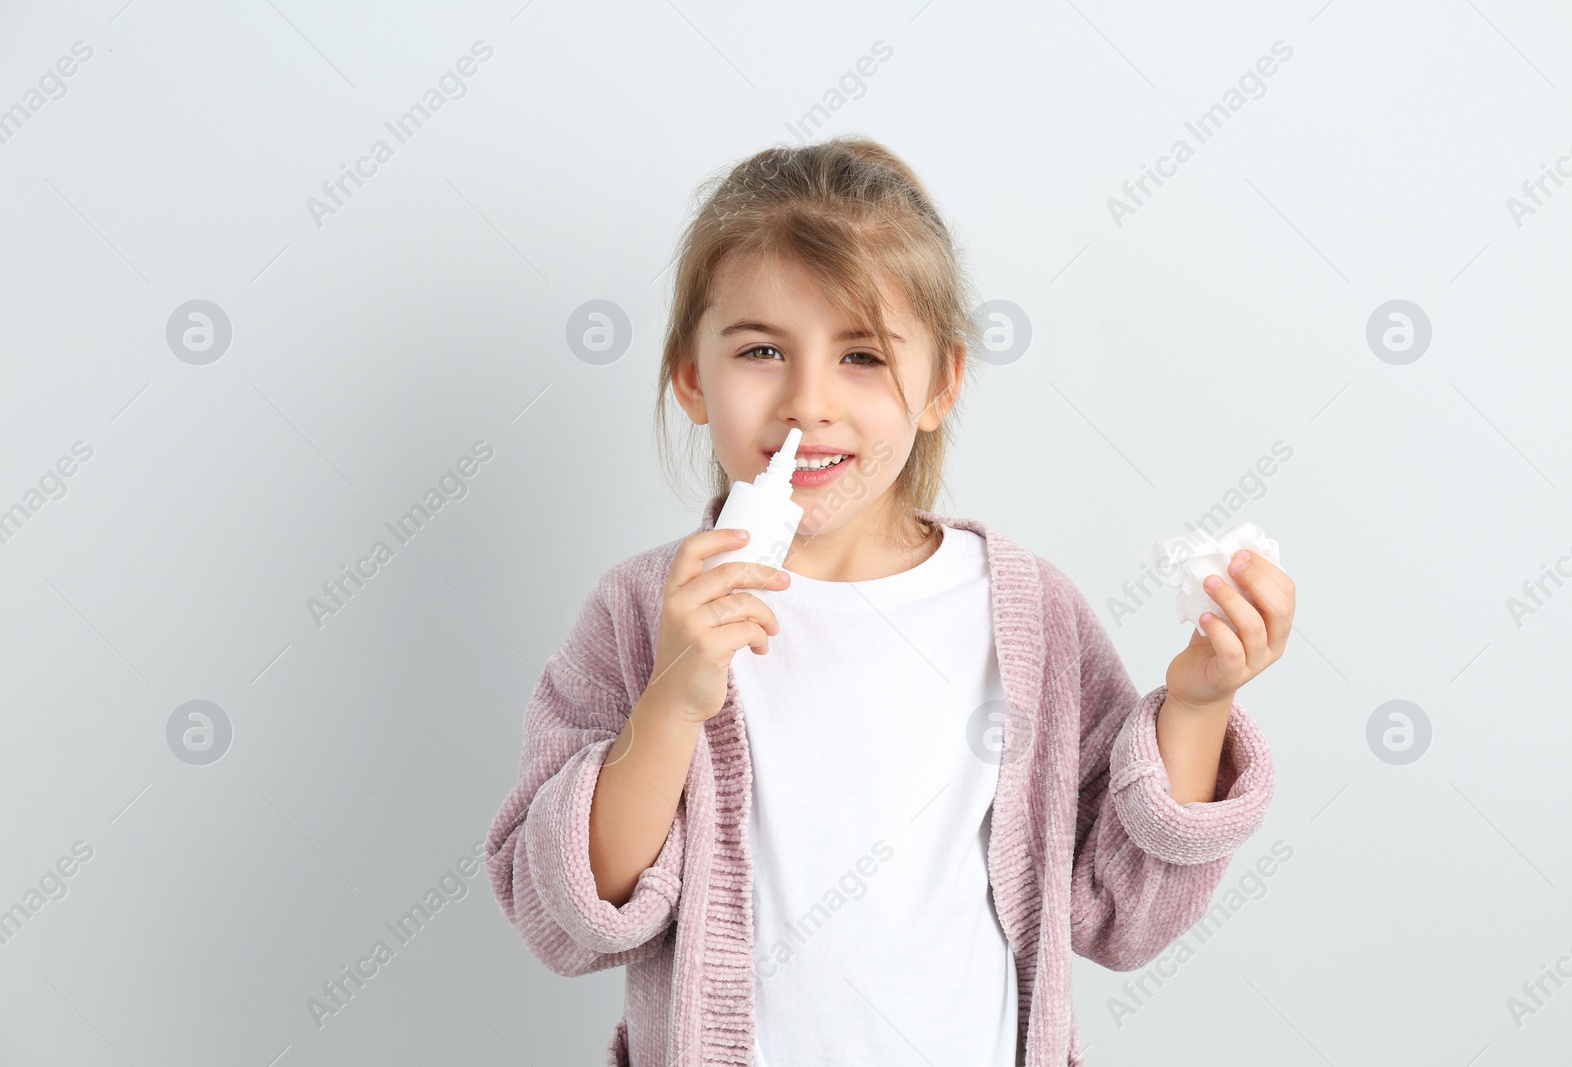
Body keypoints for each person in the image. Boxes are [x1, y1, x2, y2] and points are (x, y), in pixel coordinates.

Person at [484, 135, 1296, 1067]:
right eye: (760, 350)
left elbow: (1121, 915)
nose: (808, 402)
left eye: (862, 356)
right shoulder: (640, 611)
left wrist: (1198, 706)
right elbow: (568, 922)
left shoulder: (1026, 611)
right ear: (691, 378)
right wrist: (670, 700)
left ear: (940, 383)